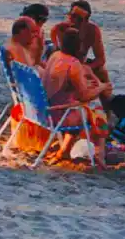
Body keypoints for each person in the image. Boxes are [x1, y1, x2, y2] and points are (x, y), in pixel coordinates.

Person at [39, 29, 112, 164]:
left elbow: (64, 85)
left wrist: (87, 83)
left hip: (44, 110)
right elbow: (84, 96)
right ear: (79, 47)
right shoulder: (73, 64)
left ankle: (65, 151)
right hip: (58, 115)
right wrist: (101, 87)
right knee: (96, 110)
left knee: (83, 106)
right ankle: (99, 153)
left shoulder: (55, 55)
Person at [51, 1, 108, 86]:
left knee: (102, 71)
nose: (75, 21)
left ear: (86, 20)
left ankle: (109, 98)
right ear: (69, 15)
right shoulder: (61, 29)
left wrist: (87, 68)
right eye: (73, 16)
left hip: (81, 64)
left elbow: (101, 59)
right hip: (64, 64)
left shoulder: (92, 31)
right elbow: (56, 55)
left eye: (80, 19)